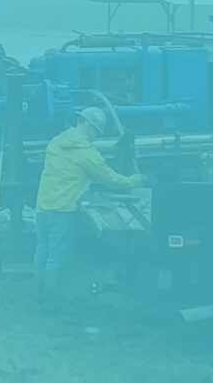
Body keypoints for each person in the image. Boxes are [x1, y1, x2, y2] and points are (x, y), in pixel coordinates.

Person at [34, 107, 145, 305]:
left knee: (42, 251)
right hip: (64, 211)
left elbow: (65, 172)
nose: (95, 137)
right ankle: (53, 300)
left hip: (43, 206)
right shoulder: (87, 154)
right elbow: (111, 179)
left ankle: (39, 293)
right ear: (88, 126)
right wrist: (135, 180)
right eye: (96, 132)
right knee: (58, 257)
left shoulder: (56, 142)